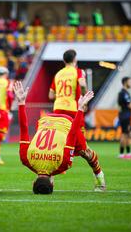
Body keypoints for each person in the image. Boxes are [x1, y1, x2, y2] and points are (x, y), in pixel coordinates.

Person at [14, 81, 103, 194]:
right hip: (45, 120)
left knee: (85, 153)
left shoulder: (64, 164)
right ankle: (99, 177)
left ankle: (100, 180)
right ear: (33, 182)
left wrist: (80, 110)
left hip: (67, 122)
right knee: (77, 155)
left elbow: (72, 134)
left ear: (53, 183)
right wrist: (21, 103)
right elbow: (24, 128)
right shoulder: (25, 159)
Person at [48, 49, 105, 189]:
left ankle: (49, 180)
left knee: (55, 146)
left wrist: (61, 96)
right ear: (75, 59)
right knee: (83, 149)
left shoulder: (58, 74)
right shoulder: (77, 71)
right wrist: (84, 100)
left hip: (57, 111)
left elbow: (50, 95)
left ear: (63, 61)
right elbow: (83, 84)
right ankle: (100, 179)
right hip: (72, 113)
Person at [0, 67, 13, 165]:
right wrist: (10, 107)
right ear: (6, 73)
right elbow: (10, 96)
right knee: (0, 134)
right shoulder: (7, 82)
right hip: (2, 109)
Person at [117, 77, 131, 159]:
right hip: (125, 115)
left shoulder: (123, 92)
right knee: (124, 134)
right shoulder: (124, 93)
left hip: (125, 115)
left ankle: (128, 153)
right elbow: (130, 105)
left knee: (127, 134)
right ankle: (121, 154)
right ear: (125, 82)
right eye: (130, 82)